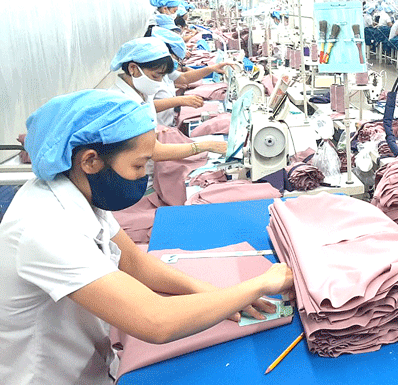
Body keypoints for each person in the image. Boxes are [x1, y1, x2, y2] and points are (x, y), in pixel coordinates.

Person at [0, 90, 294, 384]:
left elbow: (133, 262)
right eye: (139, 166)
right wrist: (260, 284)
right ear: (90, 161)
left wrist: (212, 293)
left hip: (89, 363)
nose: (143, 176)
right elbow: (155, 321)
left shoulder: (80, 192)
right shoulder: (44, 227)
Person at [109, 37, 229, 160]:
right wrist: (204, 146)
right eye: (155, 76)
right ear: (133, 68)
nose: (160, 82)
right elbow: (153, 151)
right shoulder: (122, 104)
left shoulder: (140, 91)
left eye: (162, 76)